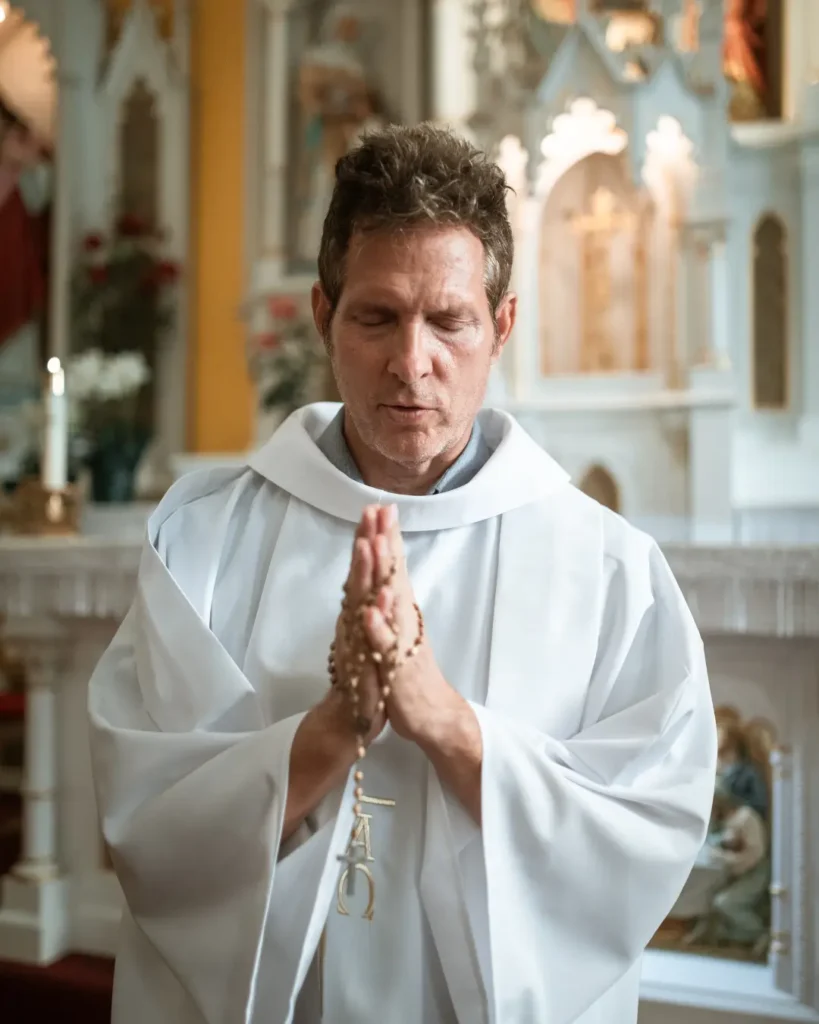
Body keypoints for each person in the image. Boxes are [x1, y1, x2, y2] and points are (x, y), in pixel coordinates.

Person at [89, 124, 717, 1024]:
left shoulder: (611, 568)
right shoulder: (201, 542)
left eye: (449, 321)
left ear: (501, 327)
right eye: (376, 316)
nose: (410, 362)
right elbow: (148, 819)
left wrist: (449, 725)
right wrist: (333, 729)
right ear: (322, 316)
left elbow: (642, 835)